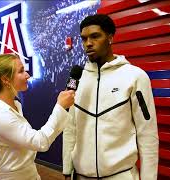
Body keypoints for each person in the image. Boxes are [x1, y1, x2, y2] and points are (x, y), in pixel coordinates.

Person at [62, 14, 159, 180]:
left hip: (121, 175)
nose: (88, 43)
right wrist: (66, 170)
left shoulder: (135, 76)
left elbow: (147, 134)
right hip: (81, 175)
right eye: (84, 39)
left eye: (95, 36)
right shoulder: (77, 79)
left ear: (110, 37)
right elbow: (70, 129)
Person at [0, 53, 75, 180]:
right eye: (21, 71)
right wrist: (60, 107)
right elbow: (40, 142)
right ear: (5, 80)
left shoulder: (15, 105)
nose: (27, 75)